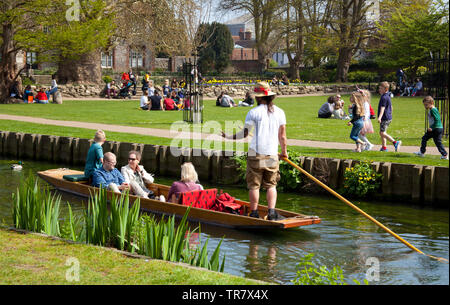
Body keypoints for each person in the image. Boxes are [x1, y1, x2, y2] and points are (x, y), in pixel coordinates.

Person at [221, 82, 287, 221]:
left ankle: (255, 213)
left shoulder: (253, 112)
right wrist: (284, 152)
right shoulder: (280, 112)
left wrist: (228, 137)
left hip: (255, 153)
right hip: (272, 154)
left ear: (258, 97)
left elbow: (244, 134)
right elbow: (282, 136)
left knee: (254, 185)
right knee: (271, 185)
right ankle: (272, 212)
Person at [377, 81, 401, 152]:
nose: (379, 90)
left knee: (382, 133)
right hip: (388, 117)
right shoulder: (387, 96)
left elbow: (383, 108)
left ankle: (395, 142)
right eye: (379, 88)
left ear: (386, 89)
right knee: (383, 132)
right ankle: (384, 148)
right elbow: (391, 106)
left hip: (385, 118)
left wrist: (379, 117)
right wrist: (390, 113)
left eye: (381, 88)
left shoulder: (384, 97)